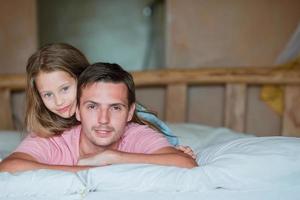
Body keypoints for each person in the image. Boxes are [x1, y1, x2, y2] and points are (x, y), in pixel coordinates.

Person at [0, 62, 197, 172]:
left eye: (116, 108)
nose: (103, 119)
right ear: (77, 110)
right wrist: (86, 169)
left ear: (129, 112)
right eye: (92, 106)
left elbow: (187, 163)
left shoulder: (136, 132)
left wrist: (114, 157)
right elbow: (8, 167)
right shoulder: (53, 137)